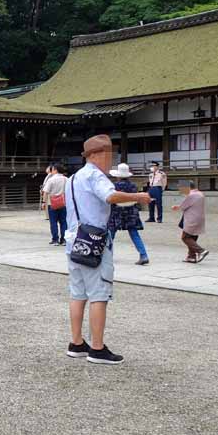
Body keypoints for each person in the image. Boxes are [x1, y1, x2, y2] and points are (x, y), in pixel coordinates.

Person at [64, 135, 151, 364]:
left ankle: (76, 342)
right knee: (99, 294)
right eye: (108, 156)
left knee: (77, 293)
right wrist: (138, 196)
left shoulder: (72, 178)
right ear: (96, 155)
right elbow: (110, 196)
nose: (109, 161)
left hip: (74, 239)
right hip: (94, 240)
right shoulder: (94, 175)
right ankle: (97, 348)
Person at [108, 163, 149, 265]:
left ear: (118, 175)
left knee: (110, 234)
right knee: (134, 234)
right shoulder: (133, 186)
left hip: (117, 211)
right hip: (131, 211)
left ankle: (108, 255)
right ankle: (143, 255)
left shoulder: (114, 186)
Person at [172, 180, 208, 263]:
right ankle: (191, 257)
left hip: (192, 218)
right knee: (193, 238)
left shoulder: (191, 195)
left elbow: (183, 206)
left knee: (185, 237)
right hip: (199, 218)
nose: (181, 189)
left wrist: (176, 207)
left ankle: (201, 251)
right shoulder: (200, 194)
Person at [43, 164, 68, 245]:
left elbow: (46, 192)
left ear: (56, 170)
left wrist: (44, 202)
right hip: (63, 203)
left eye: (52, 169)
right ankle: (64, 239)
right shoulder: (66, 179)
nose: (52, 171)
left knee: (53, 222)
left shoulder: (51, 180)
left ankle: (55, 240)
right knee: (63, 222)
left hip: (52, 203)